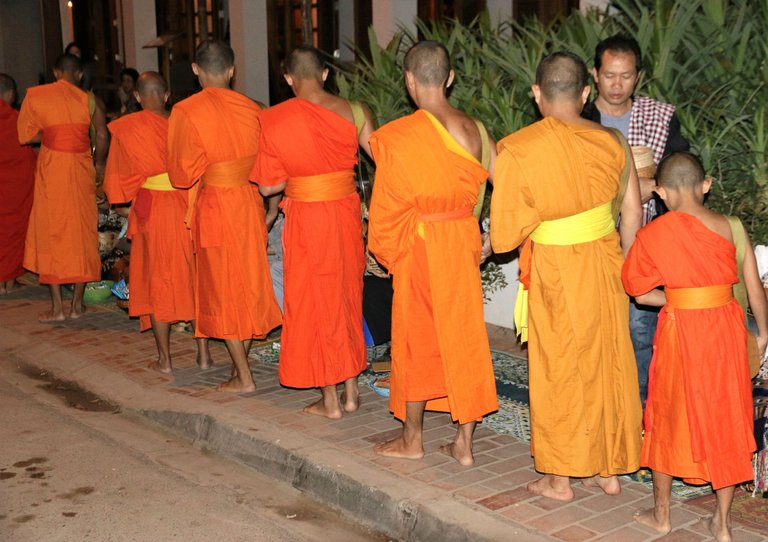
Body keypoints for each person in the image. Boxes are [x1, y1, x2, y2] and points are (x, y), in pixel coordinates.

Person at [490, 51, 643, 500]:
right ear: (585, 92)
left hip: (557, 268)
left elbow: (502, 237)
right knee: (606, 360)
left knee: (560, 367)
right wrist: (627, 273)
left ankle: (559, 477)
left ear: (537, 94)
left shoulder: (518, 148)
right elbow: (631, 214)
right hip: (606, 261)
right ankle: (609, 469)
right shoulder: (613, 141)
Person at [622, 152, 767, 542]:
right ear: (706, 186)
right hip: (725, 329)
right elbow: (753, 287)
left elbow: (636, 288)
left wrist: (677, 298)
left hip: (680, 330)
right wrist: (764, 333)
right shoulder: (730, 227)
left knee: (668, 414)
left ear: (660, 191)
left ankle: (661, 515)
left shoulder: (653, 234)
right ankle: (722, 524)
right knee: (725, 415)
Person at [367, 41, 498, 466]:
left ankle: (413, 439)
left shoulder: (400, 137)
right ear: (450, 78)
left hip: (422, 244)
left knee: (417, 338)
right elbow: (510, 187)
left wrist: (387, 253)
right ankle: (464, 443)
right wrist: (493, 240)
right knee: (464, 335)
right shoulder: (475, 130)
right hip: (462, 239)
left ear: (408, 80)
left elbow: (386, 208)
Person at [254, 46, 374, 418]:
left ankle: (330, 400)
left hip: (307, 218)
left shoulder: (275, 119)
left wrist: (298, 170)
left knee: (314, 302)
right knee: (345, 296)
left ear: (288, 79)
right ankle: (351, 393)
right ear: (324, 74)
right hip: (344, 215)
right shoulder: (355, 111)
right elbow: (385, 160)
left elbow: (267, 187)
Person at [167, 39, 281, 393]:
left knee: (224, 289)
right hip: (249, 204)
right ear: (232, 71)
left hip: (217, 205)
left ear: (196, 70)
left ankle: (244, 378)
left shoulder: (186, 112)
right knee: (247, 284)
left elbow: (180, 175)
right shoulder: (253, 108)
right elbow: (266, 162)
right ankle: (240, 369)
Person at [583, 34, 690, 406]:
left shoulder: (660, 117)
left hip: (646, 242)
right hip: (590, 242)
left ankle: (642, 408)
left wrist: (651, 187)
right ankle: (602, 405)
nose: (617, 85)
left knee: (639, 328)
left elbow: (683, 173)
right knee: (592, 329)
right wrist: (627, 191)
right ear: (595, 75)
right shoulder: (581, 118)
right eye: (609, 75)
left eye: (626, 76)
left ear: (638, 76)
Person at [104, 71, 211, 374]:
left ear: (137, 97)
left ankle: (165, 359)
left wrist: (126, 205)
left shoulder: (129, 128)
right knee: (192, 274)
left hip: (152, 208)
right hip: (187, 203)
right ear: (166, 95)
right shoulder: (185, 121)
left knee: (158, 280)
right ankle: (203, 355)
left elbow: (117, 180)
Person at [17, 53, 109, 321]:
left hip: (51, 170)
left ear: (56, 72)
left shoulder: (36, 96)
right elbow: (102, 135)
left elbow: (25, 136)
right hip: (80, 169)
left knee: (50, 231)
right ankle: (77, 306)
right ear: (79, 74)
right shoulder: (89, 100)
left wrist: (50, 134)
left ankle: (57, 308)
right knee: (81, 233)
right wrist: (99, 165)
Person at [0, 73, 36, 294]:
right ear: (11, 94)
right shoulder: (18, 119)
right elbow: (28, 152)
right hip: (15, 191)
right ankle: (10, 282)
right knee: (13, 231)